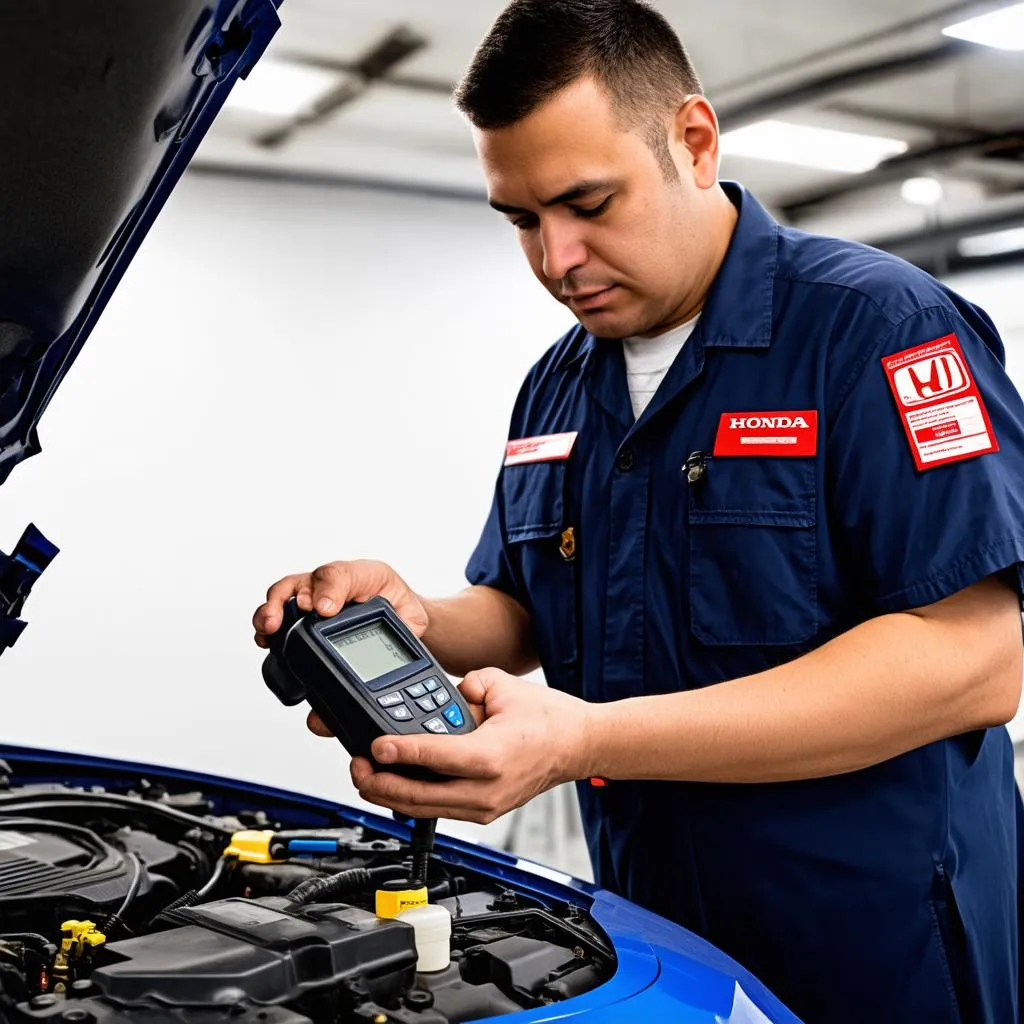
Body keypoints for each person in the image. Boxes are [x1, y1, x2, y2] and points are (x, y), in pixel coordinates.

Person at [253, 2, 1024, 1020]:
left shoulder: (880, 329)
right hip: (649, 943)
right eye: (523, 219)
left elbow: (973, 661)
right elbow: (526, 608)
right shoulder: (558, 386)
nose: (556, 259)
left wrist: (585, 740)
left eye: (587, 203)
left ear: (693, 143)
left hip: (872, 947)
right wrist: (420, 622)